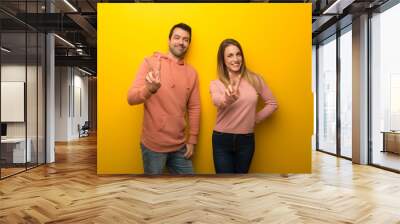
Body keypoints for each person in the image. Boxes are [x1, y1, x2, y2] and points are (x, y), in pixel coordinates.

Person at [127, 23, 200, 175]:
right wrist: (149, 89)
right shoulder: (150, 62)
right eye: (177, 37)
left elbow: (194, 107)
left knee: (191, 189)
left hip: (180, 146)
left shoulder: (192, 73)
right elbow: (131, 98)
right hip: (153, 146)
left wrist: (192, 140)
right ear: (169, 40)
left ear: (189, 44)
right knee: (153, 194)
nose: (181, 42)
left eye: (186, 39)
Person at [209, 38, 278, 174]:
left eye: (238, 54)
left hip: (246, 141)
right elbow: (217, 101)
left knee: (241, 183)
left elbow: (272, 104)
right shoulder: (216, 83)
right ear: (223, 60)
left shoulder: (255, 79)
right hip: (222, 139)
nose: (235, 59)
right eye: (230, 55)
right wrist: (228, 98)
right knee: (225, 185)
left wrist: (254, 119)